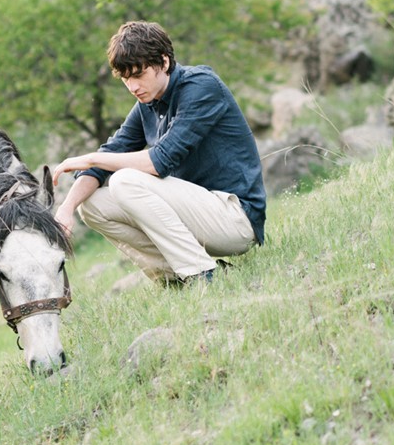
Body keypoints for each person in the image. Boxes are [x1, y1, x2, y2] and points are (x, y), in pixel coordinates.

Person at [52, 21, 265, 284]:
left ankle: (200, 273)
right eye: (126, 78)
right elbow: (109, 155)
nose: (132, 86)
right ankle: (175, 276)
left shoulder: (201, 87)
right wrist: (66, 208)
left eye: (138, 75)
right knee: (92, 206)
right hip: (196, 216)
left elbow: (159, 161)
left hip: (235, 220)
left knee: (123, 180)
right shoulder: (147, 102)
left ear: (163, 63)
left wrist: (91, 158)